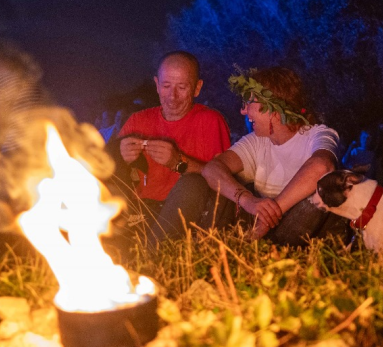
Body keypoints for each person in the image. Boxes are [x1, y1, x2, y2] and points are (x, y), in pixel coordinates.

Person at [203, 66, 343, 243]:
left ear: (273, 109)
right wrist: (248, 201)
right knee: (219, 184)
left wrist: (270, 214)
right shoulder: (257, 141)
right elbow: (212, 169)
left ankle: (270, 248)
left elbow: (322, 166)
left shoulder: (317, 135)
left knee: (323, 193)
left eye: (249, 103)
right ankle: (215, 244)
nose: (243, 111)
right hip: (262, 227)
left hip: (302, 230)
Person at [117, 52, 230, 246]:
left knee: (193, 183)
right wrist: (121, 158)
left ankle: (151, 255)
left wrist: (178, 163)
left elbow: (224, 182)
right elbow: (111, 174)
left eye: (182, 87)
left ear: (197, 88)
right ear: (157, 85)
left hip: (187, 212)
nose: (172, 96)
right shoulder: (138, 121)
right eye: (166, 86)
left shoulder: (210, 121)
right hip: (141, 211)